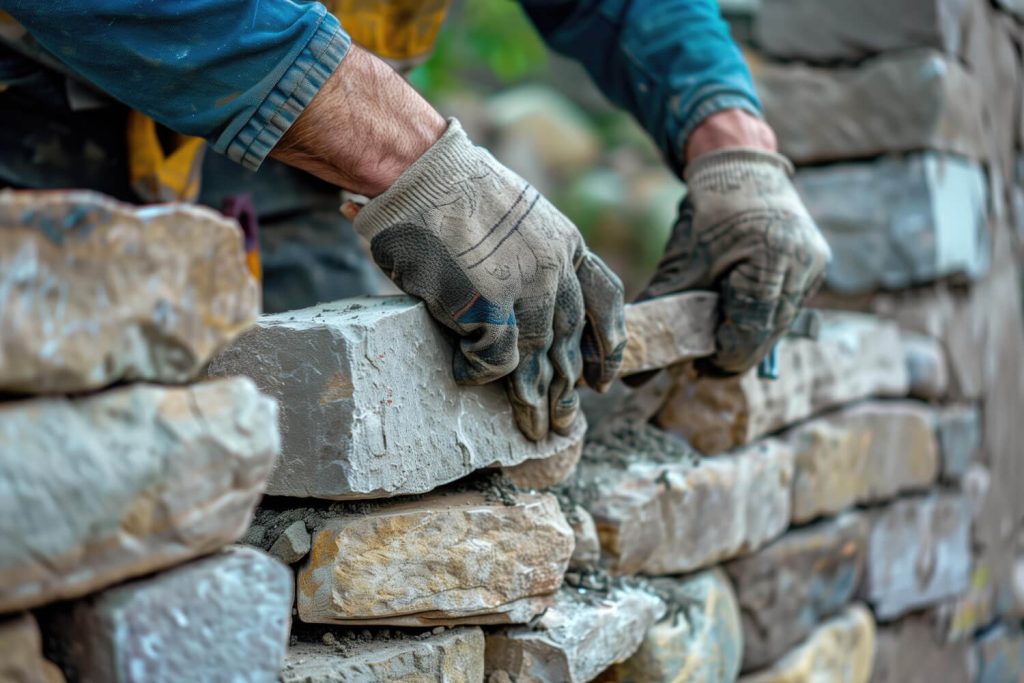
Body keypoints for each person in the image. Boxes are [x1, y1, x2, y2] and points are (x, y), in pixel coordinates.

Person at [0, 0, 830, 442]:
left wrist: (734, 144)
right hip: (45, 117)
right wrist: (414, 158)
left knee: (328, 436)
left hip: (290, 169)